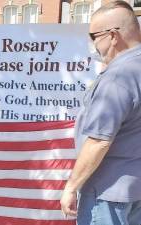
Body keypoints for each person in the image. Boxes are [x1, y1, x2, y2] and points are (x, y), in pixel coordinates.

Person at [60, 1, 141, 224]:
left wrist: (71, 187)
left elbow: (99, 141)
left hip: (107, 192)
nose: (93, 44)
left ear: (113, 36)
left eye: (93, 36)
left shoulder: (118, 78)